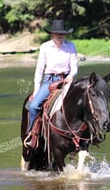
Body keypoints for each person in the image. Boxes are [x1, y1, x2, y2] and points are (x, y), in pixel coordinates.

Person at [24, 19, 78, 148]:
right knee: (33, 106)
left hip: (66, 80)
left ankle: (85, 135)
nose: (59, 35)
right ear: (52, 34)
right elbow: (39, 69)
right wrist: (37, 88)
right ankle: (32, 134)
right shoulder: (45, 47)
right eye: (57, 33)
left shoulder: (71, 46)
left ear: (65, 34)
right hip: (50, 81)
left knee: (83, 102)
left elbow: (74, 66)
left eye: (62, 33)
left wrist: (71, 75)